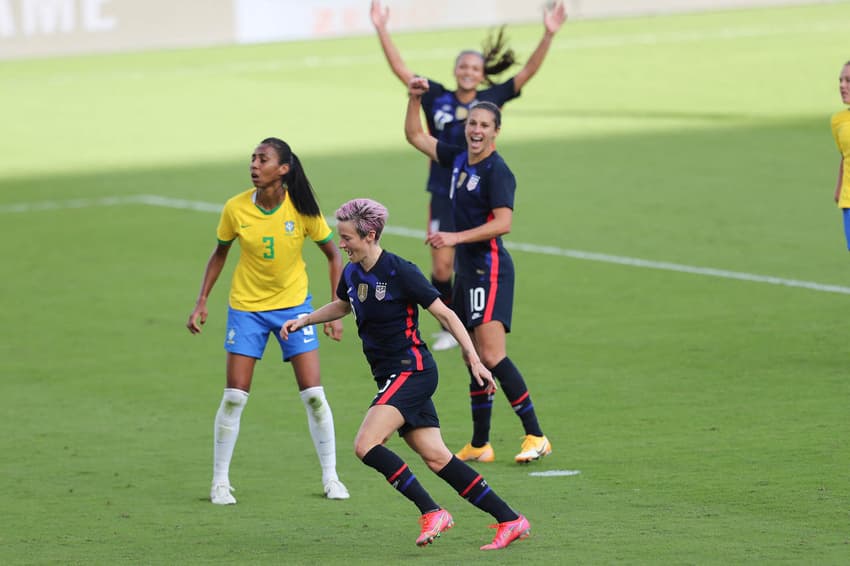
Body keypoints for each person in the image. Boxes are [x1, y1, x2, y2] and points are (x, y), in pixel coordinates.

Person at [280, 198, 530, 550]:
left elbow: (447, 315)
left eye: (347, 238)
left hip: (412, 371)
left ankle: (432, 511)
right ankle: (510, 519)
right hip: (389, 376)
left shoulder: (400, 271)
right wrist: (305, 319)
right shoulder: (351, 272)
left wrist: (473, 359)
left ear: (369, 235)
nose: (342, 244)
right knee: (437, 456)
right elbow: (343, 304)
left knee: (366, 445)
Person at [370, 0, 567, 351]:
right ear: (456, 69)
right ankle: (450, 323)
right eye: (463, 66)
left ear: (482, 73)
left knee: (470, 258)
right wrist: (381, 28)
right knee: (442, 266)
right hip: (442, 191)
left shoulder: (489, 102)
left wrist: (548, 34)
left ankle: (464, 322)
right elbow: (403, 72)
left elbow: (526, 74)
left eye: (475, 67)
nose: (468, 72)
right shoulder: (439, 97)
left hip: (475, 196)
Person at [186, 137, 349, 504]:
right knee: (233, 397)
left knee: (314, 397)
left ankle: (331, 477)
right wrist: (201, 301)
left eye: (263, 159)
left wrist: (336, 307)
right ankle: (219, 482)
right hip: (246, 309)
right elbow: (219, 254)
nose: (254, 165)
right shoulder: (235, 208)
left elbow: (334, 255)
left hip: (295, 310)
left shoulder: (303, 210)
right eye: (253, 159)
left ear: (284, 169)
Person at [404, 76, 552, 464]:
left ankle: (535, 434)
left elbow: (503, 223)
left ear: (496, 132)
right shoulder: (455, 157)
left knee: (492, 354)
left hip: (490, 269)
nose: (476, 130)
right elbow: (416, 136)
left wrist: (454, 238)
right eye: (472, 123)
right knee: (473, 354)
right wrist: (413, 98)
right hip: (469, 272)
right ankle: (480, 443)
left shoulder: (497, 171)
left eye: (485, 125)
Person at [832, 60, 850, 246]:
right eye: (841, 80)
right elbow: (844, 156)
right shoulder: (838, 121)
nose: (842, 86)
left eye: (848, 80)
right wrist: (839, 189)